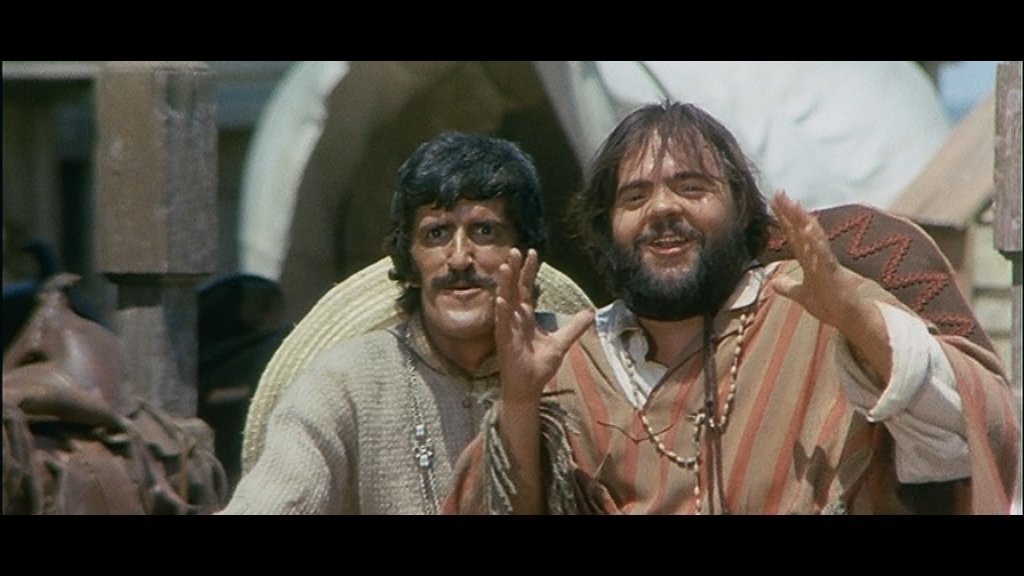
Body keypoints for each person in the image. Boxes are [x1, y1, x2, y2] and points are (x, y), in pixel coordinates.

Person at [442, 101, 1020, 515]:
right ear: (606, 227)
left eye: (692, 188)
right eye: (635, 197)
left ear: (742, 210)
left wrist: (856, 318)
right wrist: (520, 402)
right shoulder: (570, 360)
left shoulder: (819, 306)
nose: (662, 209)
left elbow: (965, 434)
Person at [220, 132, 591, 514]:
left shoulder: (583, 360)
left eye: (484, 231)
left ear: (524, 251)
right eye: (436, 233)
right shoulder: (345, 382)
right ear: (411, 263)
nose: (459, 258)